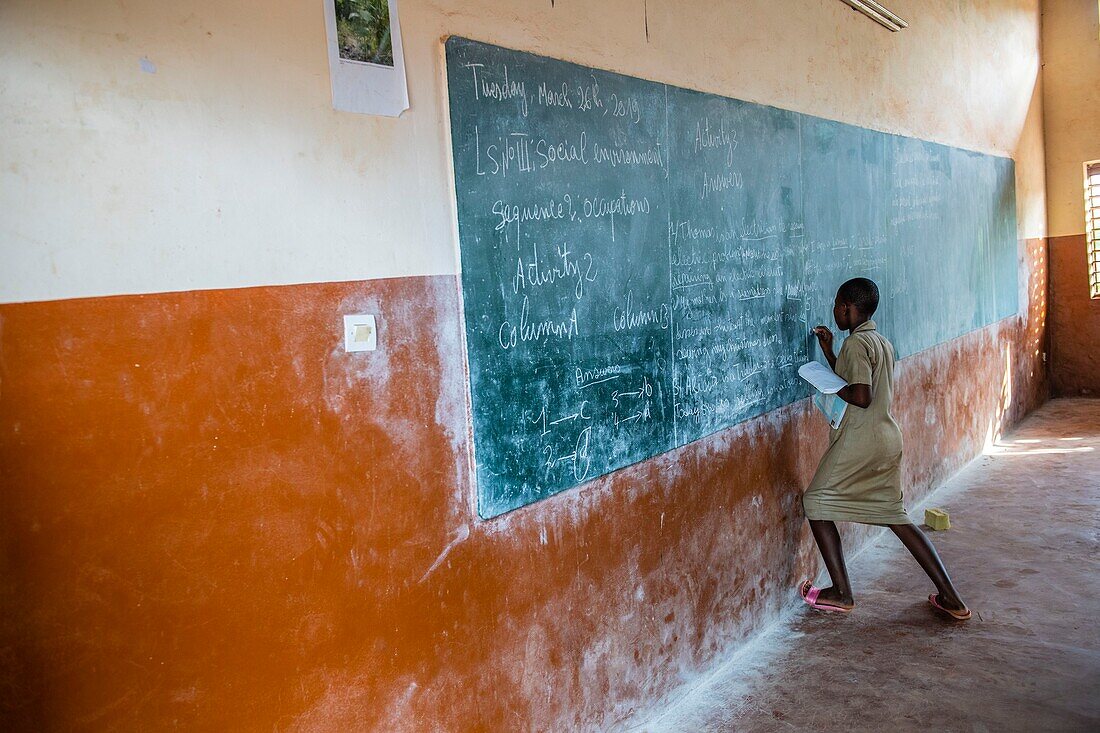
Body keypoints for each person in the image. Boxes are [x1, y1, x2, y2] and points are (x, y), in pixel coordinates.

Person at [800, 277, 971, 621]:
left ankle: (841, 592)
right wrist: (830, 354)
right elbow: (860, 382)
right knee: (897, 517)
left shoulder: (856, 346)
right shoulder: (880, 342)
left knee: (815, 502)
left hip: (859, 441)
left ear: (847, 308)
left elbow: (860, 395)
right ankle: (952, 599)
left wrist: (825, 383)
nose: (834, 310)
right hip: (886, 439)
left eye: (837, 305)